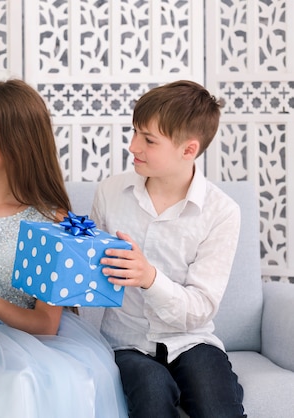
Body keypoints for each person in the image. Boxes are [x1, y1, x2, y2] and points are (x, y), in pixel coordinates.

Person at [0, 79, 128, 417]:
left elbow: (46, 324)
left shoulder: (50, 221)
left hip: (30, 346)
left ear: (20, 143)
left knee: (19, 380)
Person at [91, 80, 246, 417]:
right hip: (126, 343)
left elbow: (201, 307)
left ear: (188, 150)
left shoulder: (221, 212)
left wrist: (149, 278)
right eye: (134, 133)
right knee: (151, 392)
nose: (133, 146)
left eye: (148, 140)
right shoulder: (110, 192)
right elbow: (91, 279)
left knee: (216, 404)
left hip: (191, 340)